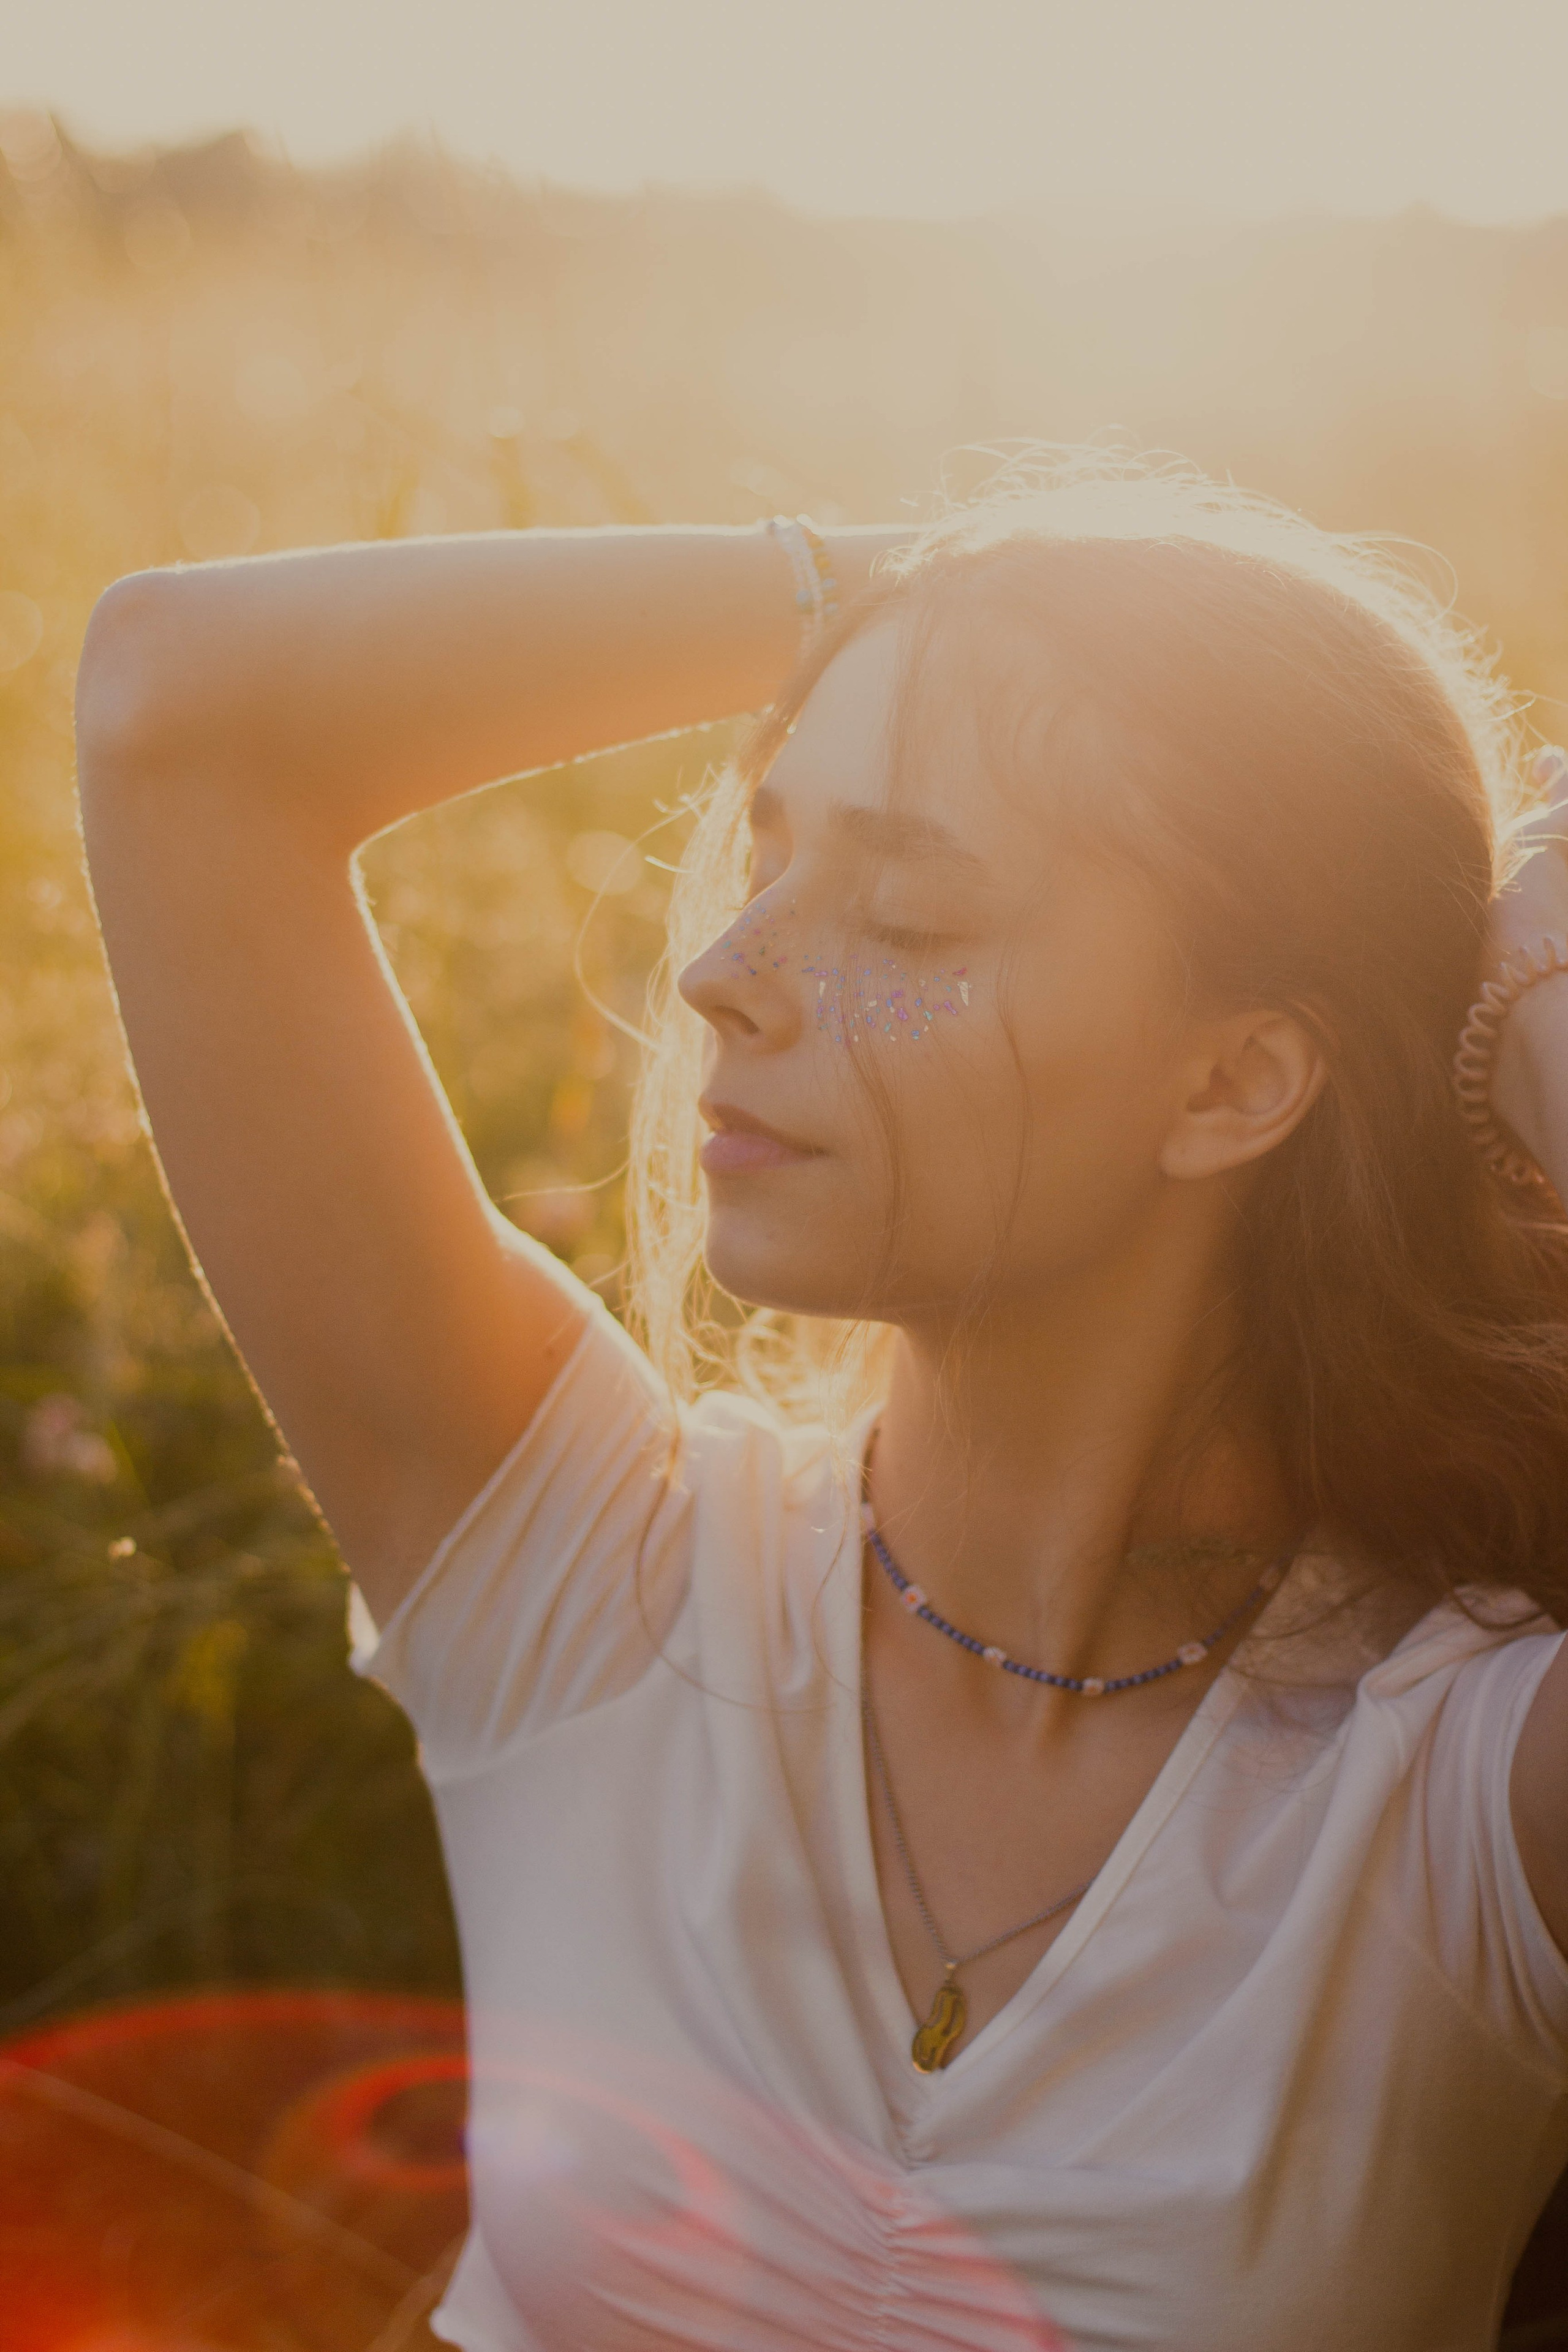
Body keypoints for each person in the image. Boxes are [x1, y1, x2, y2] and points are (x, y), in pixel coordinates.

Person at [74, 456, 1568, 2352]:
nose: (723, 972)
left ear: (1234, 1084)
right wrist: (942, 585)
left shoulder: (1458, 1786)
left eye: (912, 926)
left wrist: (1528, 996)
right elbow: (172, 705)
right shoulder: (588, 1580)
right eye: (769, 856)